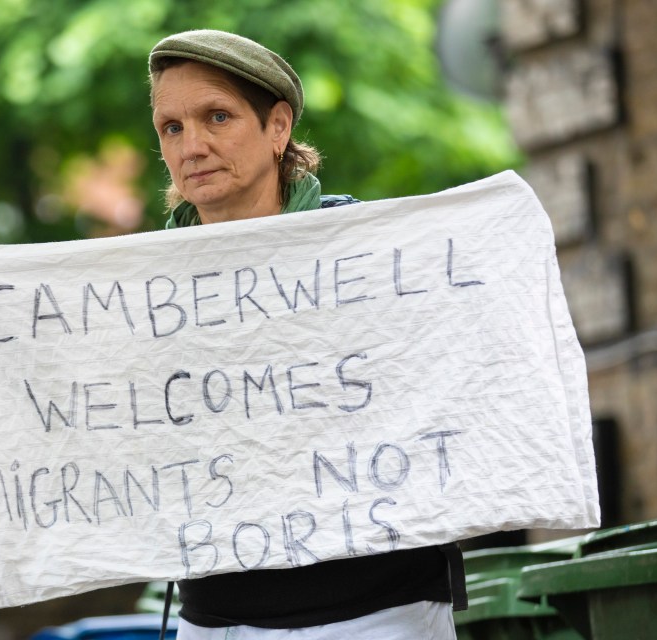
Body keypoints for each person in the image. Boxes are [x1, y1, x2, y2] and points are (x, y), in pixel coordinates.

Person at [148, 29, 465, 639]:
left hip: (379, 616)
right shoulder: (140, 294)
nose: (193, 145)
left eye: (218, 116)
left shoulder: (371, 258)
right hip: (217, 623)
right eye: (172, 127)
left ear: (278, 128)